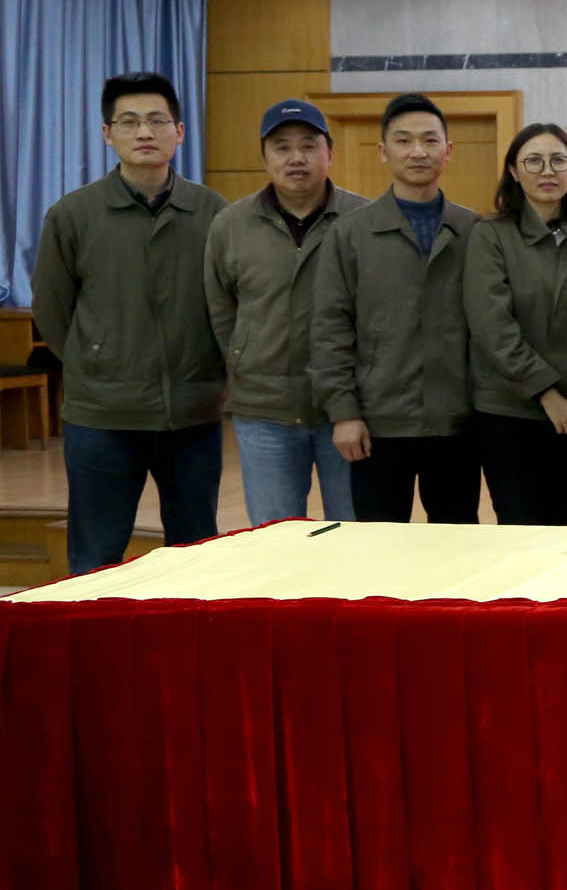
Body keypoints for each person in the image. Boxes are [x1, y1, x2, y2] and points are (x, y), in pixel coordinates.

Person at [32, 71, 229, 573]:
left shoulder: (213, 212)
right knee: (96, 557)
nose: (144, 132)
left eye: (157, 120)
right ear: (107, 133)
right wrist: (95, 360)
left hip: (192, 414)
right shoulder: (73, 214)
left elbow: (230, 303)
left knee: (196, 556)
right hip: (103, 417)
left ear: (179, 132)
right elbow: (53, 310)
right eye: (129, 121)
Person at [308, 91, 480, 523]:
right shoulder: (351, 234)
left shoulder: (474, 231)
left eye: (429, 140)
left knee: (459, 543)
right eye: (403, 141)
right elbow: (330, 329)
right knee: (379, 547)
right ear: (383, 151)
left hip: (457, 424)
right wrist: (344, 413)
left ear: (448, 151)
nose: (418, 151)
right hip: (378, 424)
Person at [205, 99, 367, 526]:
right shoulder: (231, 224)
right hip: (265, 411)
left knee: (356, 537)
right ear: (264, 157)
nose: (296, 158)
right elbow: (221, 308)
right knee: (275, 539)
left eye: (309, 146)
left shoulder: (364, 221)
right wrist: (243, 358)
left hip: (350, 411)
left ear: (330, 154)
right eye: (282, 147)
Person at [464, 123, 567, 526]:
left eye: (558, 160)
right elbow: (493, 327)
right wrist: (546, 393)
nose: (547, 171)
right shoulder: (490, 236)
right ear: (514, 171)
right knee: (521, 532)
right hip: (509, 413)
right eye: (533, 161)